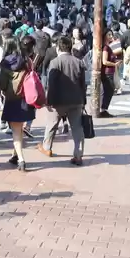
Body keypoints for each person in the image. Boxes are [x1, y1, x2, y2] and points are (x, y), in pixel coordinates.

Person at [38, 34, 86, 165]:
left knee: (52, 124)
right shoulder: (78, 62)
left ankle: (47, 147)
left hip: (58, 101)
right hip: (76, 100)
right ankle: (78, 154)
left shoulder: (55, 62)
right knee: (77, 128)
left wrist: (49, 100)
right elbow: (83, 84)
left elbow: (51, 84)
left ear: (58, 48)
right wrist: (83, 101)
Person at [0, 35, 37, 171]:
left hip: (12, 98)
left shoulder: (5, 62)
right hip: (25, 97)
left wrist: (3, 90)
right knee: (19, 128)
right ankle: (15, 154)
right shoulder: (27, 60)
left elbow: (2, 84)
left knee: (15, 129)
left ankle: (21, 159)